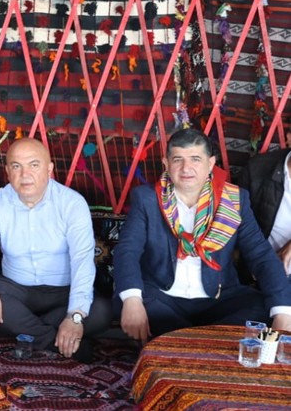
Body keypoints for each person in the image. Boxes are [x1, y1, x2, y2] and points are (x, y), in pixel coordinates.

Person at [115, 128, 291, 343]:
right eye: (177, 159)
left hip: (218, 298)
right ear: (166, 164)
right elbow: (127, 250)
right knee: (131, 300)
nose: (186, 168)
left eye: (195, 159)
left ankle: (177, 339)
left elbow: (261, 255)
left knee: (265, 308)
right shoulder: (147, 198)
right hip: (163, 297)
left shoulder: (233, 201)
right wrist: (132, 301)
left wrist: (283, 312)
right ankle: (206, 341)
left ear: (210, 164)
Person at [0, 138, 110, 362]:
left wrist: (74, 316)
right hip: (16, 290)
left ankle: (14, 328)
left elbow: (82, 260)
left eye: (34, 165)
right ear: (8, 172)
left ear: (49, 169)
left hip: (62, 293)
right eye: (16, 166)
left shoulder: (72, 203)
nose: (25, 174)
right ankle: (54, 342)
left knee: (101, 311)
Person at [238, 129, 291, 278]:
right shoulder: (257, 169)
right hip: (264, 270)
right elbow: (239, 223)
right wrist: (264, 262)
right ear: (289, 138)